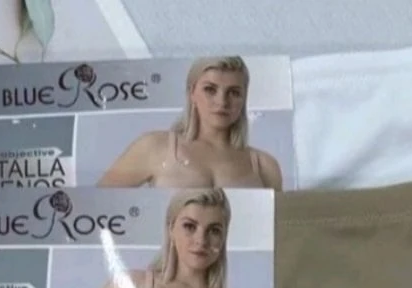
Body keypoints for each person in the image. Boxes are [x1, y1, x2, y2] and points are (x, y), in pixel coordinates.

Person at [66, 188, 260, 288]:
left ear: (224, 236)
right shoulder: (133, 287)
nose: (201, 240)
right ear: (170, 228)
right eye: (189, 226)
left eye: (214, 230)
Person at [97, 57, 283, 190]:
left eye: (234, 92)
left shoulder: (265, 166)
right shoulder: (154, 147)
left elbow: (281, 230)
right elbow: (98, 207)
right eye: (210, 89)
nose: (222, 102)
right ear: (192, 92)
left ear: (244, 98)